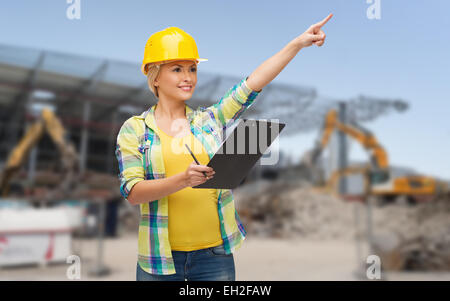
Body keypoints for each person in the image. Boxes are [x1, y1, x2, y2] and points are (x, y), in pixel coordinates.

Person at [115, 13, 333, 281]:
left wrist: (298, 43)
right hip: (160, 261)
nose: (188, 77)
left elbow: (253, 83)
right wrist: (183, 180)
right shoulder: (135, 129)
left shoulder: (210, 120)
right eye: (177, 69)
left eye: (192, 68)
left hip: (214, 258)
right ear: (155, 76)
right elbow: (133, 192)